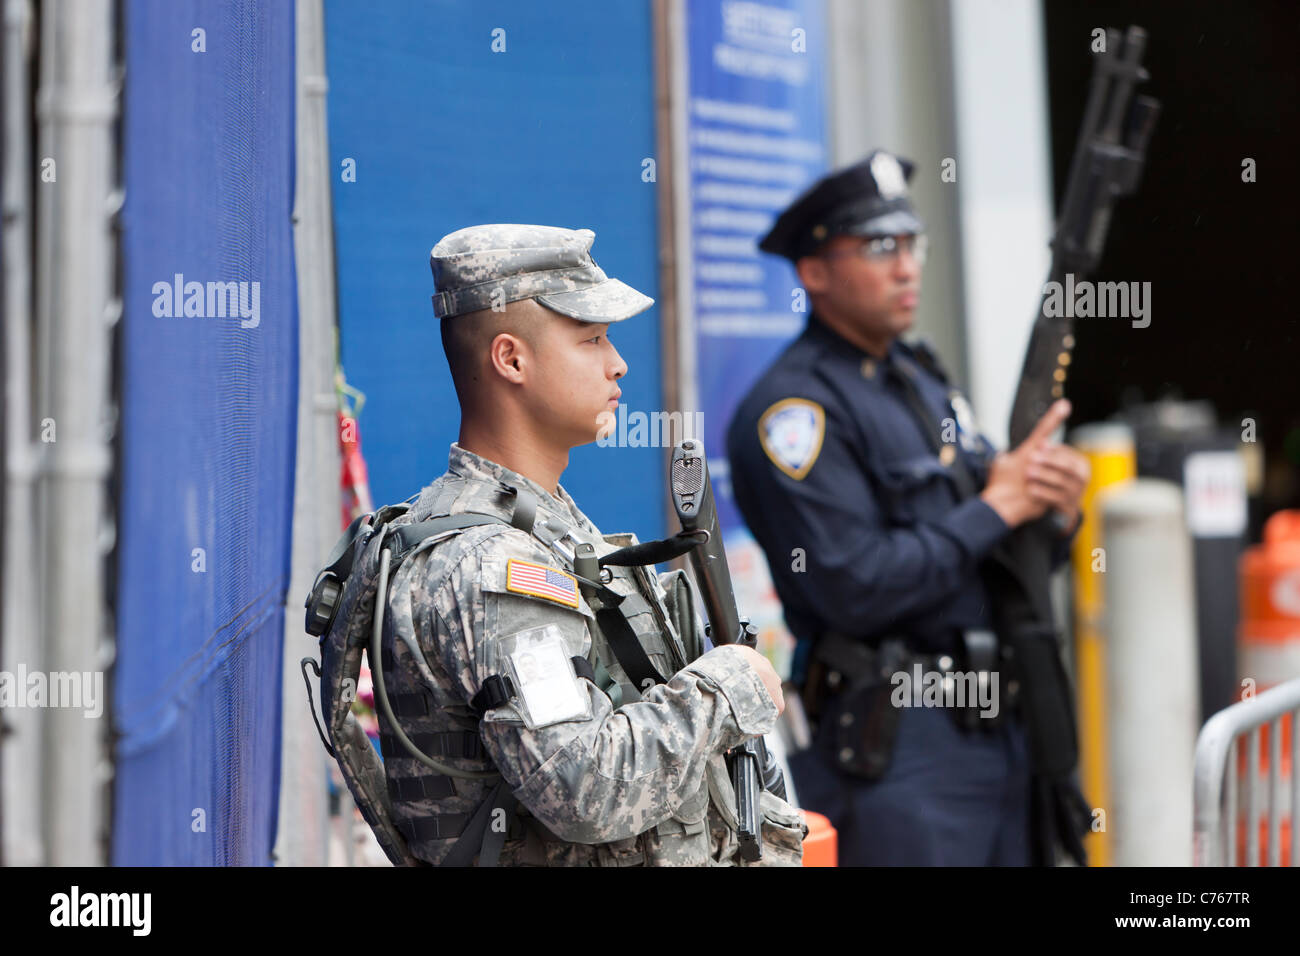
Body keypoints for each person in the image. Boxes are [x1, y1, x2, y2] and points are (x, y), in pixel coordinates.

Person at [377, 223, 805, 866]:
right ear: (511, 359)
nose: (618, 363)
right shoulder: (493, 563)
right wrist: (728, 685)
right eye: (592, 339)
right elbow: (583, 786)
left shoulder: (543, 526)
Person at [726, 152, 1090, 866]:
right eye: (877, 247)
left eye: (910, 244)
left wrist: (1051, 510)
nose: (906, 266)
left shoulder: (919, 379)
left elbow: (1002, 544)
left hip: (998, 722)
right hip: (899, 744)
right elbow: (853, 586)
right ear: (814, 272)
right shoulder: (793, 412)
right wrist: (1000, 504)